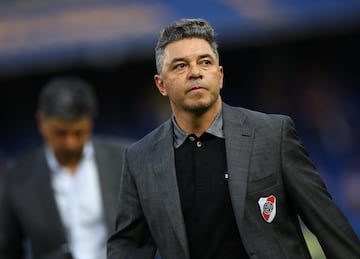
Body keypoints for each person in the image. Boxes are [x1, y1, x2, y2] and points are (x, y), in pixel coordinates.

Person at [107, 18, 360, 259]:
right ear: (161, 84)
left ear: (220, 75)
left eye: (204, 62)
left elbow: (329, 225)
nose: (195, 72)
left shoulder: (273, 134)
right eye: (180, 66)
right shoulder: (140, 157)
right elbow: (129, 246)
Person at [0, 77, 132, 259]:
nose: (70, 143)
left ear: (90, 123)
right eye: (60, 133)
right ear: (41, 123)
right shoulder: (17, 177)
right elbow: (8, 249)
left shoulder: (126, 158)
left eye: (79, 133)